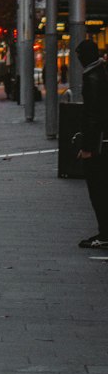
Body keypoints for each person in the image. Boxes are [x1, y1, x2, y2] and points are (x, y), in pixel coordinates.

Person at [74, 38, 108, 248]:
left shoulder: (93, 76)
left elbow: (93, 115)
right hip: (103, 140)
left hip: (100, 144)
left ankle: (104, 233)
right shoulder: (101, 71)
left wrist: (87, 148)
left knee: (98, 188)